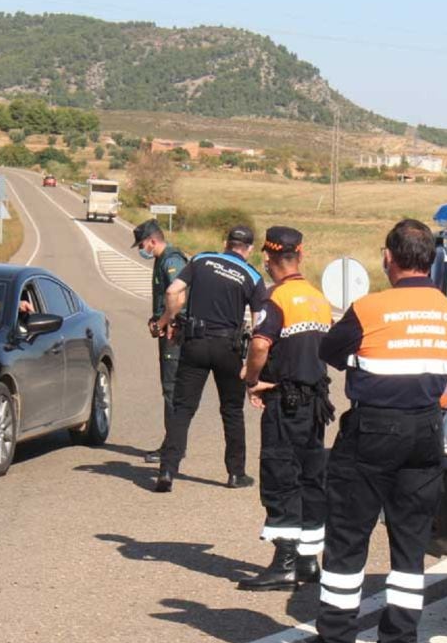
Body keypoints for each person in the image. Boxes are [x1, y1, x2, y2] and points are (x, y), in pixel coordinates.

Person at [291, 219, 447, 643]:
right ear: (429, 260)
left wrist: (361, 357)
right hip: (426, 431)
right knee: (410, 549)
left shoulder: (371, 308)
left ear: (389, 258)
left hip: (372, 433)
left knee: (347, 541)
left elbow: (330, 351)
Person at [237, 226, 335, 591]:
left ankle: (285, 563)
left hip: (286, 402)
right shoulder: (316, 297)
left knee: (281, 478)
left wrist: (251, 379)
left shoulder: (274, 299)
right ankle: (309, 560)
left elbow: (260, 346)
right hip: (315, 403)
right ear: (301, 254)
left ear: (267, 257)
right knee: (311, 479)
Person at [153, 225, 266, 493]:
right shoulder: (252, 275)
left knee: (183, 408)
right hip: (228, 347)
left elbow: (172, 292)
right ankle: (236, 473)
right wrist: (253, 365)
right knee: (232, 411)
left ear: (225, 242)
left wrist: (166, 320)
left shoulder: (201, 260)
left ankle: (168, 469)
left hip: (195, 343)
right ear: (249, 249)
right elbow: (259, 322)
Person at [131, 219, 189, 464]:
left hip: (175, 335)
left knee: (172, 391)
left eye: (143, 244)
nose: (141, 249)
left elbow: (178, 296)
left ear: (153, 240)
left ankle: (173, 448)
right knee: (170, 391)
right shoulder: (162, 259)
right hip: (169, 331)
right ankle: (172, 444)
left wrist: (164, 321)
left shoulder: (171, 259)